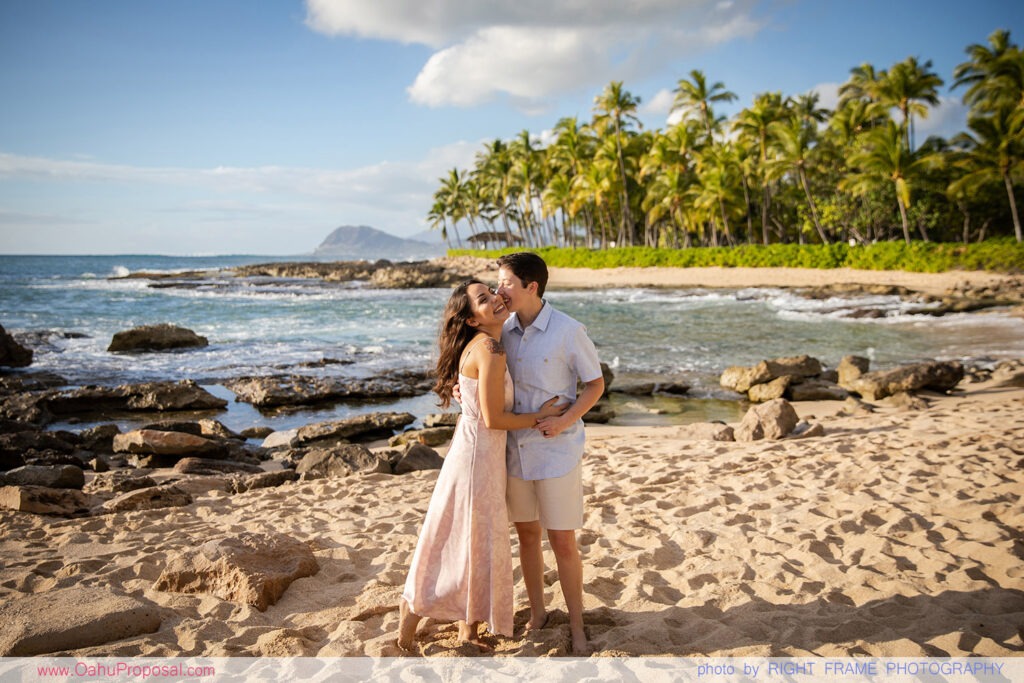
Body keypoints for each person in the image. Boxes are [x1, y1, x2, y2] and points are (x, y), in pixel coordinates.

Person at [397, 279, 565, 652]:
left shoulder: (482, 344)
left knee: (464, 538)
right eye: (484, 299)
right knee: (467, 538)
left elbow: (477, 401)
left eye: (492, 290)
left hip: (475, 453)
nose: (495, 298)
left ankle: (466, 628)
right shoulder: (490, 348)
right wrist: (540, 416)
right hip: (478, 457)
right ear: (472, 319)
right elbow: (493, 419)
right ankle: (413, 617)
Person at [495, 252, 604, 655]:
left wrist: (564, 420)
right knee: (526, 534)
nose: (498, 290)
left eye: (506, 283)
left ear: (531, 287)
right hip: (514, 452)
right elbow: (477, 369)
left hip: (557, 450)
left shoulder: (568, 330)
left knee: (562, 541)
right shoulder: (500, 329)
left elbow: (595, 384)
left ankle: (577, 624)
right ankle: (538, 612)